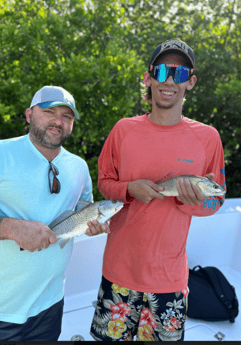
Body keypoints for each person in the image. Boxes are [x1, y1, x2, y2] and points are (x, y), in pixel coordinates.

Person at [90, 38, 226, 341]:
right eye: (162, 71)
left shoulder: (208, 137)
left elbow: (217, 200)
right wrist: (129, 189)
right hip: (119, 272)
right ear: (148, 77)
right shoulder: (123, 129)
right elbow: (104, 183)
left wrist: (188, 203)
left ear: (190, 82)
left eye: (179, 74)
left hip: (170, 279)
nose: (169, 81)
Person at [0, 85, 109, 341]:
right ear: (29, 115)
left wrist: (95, 227)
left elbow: (86, 212)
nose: (58, 121)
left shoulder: (78, 167)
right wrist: (11, 228)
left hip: (50, 304)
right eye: (49, 111)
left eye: (67, 116)